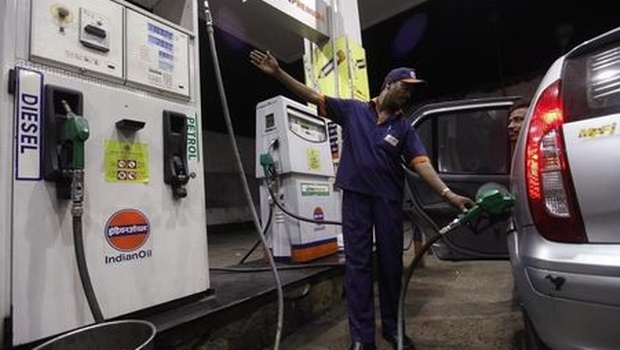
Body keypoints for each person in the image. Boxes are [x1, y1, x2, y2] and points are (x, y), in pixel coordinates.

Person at [250, 49, 474, 350]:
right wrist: (279, 73)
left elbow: (422, 164)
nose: (408, 94)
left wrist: (448, 194)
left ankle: (393, 331)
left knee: (392, 267)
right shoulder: (354, 110)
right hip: (356, 198)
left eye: (411, 90)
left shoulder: (404, 128)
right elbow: (315, 97)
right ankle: (361, 338)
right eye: (404, 87)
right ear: (388, 85)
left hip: (388, 202)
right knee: (358, 267)